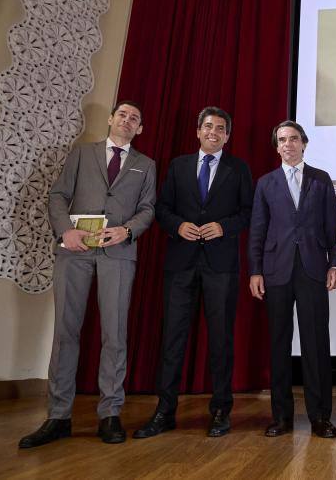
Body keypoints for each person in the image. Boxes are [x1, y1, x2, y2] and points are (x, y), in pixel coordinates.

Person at [19, 101, 156, 448]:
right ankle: (58, 416)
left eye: (134, 119)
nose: (127, 120)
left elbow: (148, 209)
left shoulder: (146, 165)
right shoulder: (81, 154)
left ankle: (110, 414)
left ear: (140, 129)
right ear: (111, 120)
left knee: (115, 334)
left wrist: (128, 230)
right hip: (74, 252)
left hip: (119, 254)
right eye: (122, 115)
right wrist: (65, 230)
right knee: (66, 331)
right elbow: (58, 196)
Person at [133, 106, 252, 439]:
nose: (213, 132)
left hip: (221, 266)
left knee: (220, 340)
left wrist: (223, 227)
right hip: (181, 264)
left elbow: (248, 212)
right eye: (208, 127)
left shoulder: (239, 168)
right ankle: (164, 411)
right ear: (198, 131)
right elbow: (162, 209)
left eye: (220, 129)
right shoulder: (178, 165)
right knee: (172, 339)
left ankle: (220, 411)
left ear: (227, 136)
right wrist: (178, 225)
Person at [248, 120, 336, 439]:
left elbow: (333, 227)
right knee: (278, 344)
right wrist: (255, 270)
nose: (288, 144)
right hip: (276, 271)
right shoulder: (265, 183)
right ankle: (281, 417)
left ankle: (320, 417)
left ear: (304, 143)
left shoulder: (321, 179)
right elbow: (257, 230)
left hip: (314, 269)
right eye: (282, 140)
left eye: (293, 139)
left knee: (316, 345)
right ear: (276, 147)